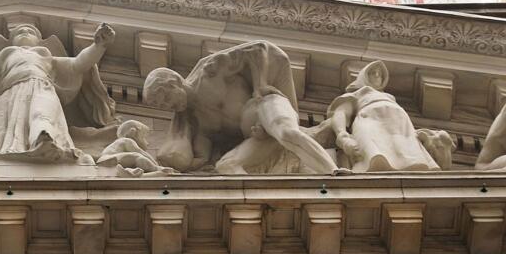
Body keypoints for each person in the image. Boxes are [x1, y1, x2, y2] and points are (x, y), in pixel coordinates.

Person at [0, 23, 118, 163]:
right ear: (11, 41)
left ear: (39, 40)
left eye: (30, 31)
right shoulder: (3, 55)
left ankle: (44, 140)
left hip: (42, 87)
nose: (25, 31)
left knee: (42, 114)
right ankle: (1, 152)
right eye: (19, 31)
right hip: (10, 94)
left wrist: (98, 46)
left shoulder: (46, 56)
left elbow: (78, 64)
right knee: (0, 128)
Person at [143, 40, 342, 175]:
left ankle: (335, 173)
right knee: (226, 166)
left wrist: (259, 86)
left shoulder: (209, 72)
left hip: (264, 106)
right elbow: (202, 157)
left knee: (287, 133)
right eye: (162, 105)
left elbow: (256, 50)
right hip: (257, 137)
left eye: (166, 98)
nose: (169, 106)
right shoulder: (195, 121)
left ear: (176, 81)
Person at [328, 60, 444, 172]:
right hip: (370, 122)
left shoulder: (389, 97)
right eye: (373, 73)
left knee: (411, 159)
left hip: (401, 128)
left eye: (380, 74)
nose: (377, 76)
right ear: (364, 76)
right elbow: (341, 113)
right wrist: (342, 136)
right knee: (376, 157)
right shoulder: (358, 94)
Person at [96, 120, 172, 176]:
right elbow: (140, 152)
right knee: (137, 156)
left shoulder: (119, 145)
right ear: (133, 132)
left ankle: (134, 172)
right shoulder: (127, 140)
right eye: (143, 137)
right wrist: (157, 166)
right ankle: (156, 169)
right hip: (109, 159)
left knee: (133, 159)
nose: (147, 143)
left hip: (108, 161)